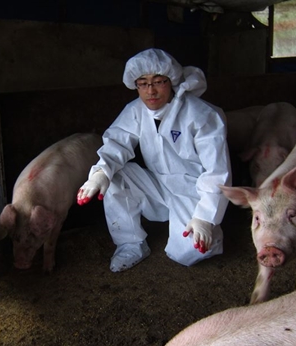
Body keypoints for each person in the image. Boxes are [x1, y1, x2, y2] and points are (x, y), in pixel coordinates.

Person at [76, 48, 231, 272]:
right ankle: (131, 243)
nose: (151, 90)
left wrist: (205, 217)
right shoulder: (135, 111)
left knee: (188, 252)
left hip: (193, 191)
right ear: (135, 85)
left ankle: (209, 233)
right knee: (116, 176)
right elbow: (117, 143)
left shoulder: (201, 114)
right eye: (143, 83)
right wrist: (100, 173)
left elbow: (217, 171)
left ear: (172, 81)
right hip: (158, 185)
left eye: (159, 81)